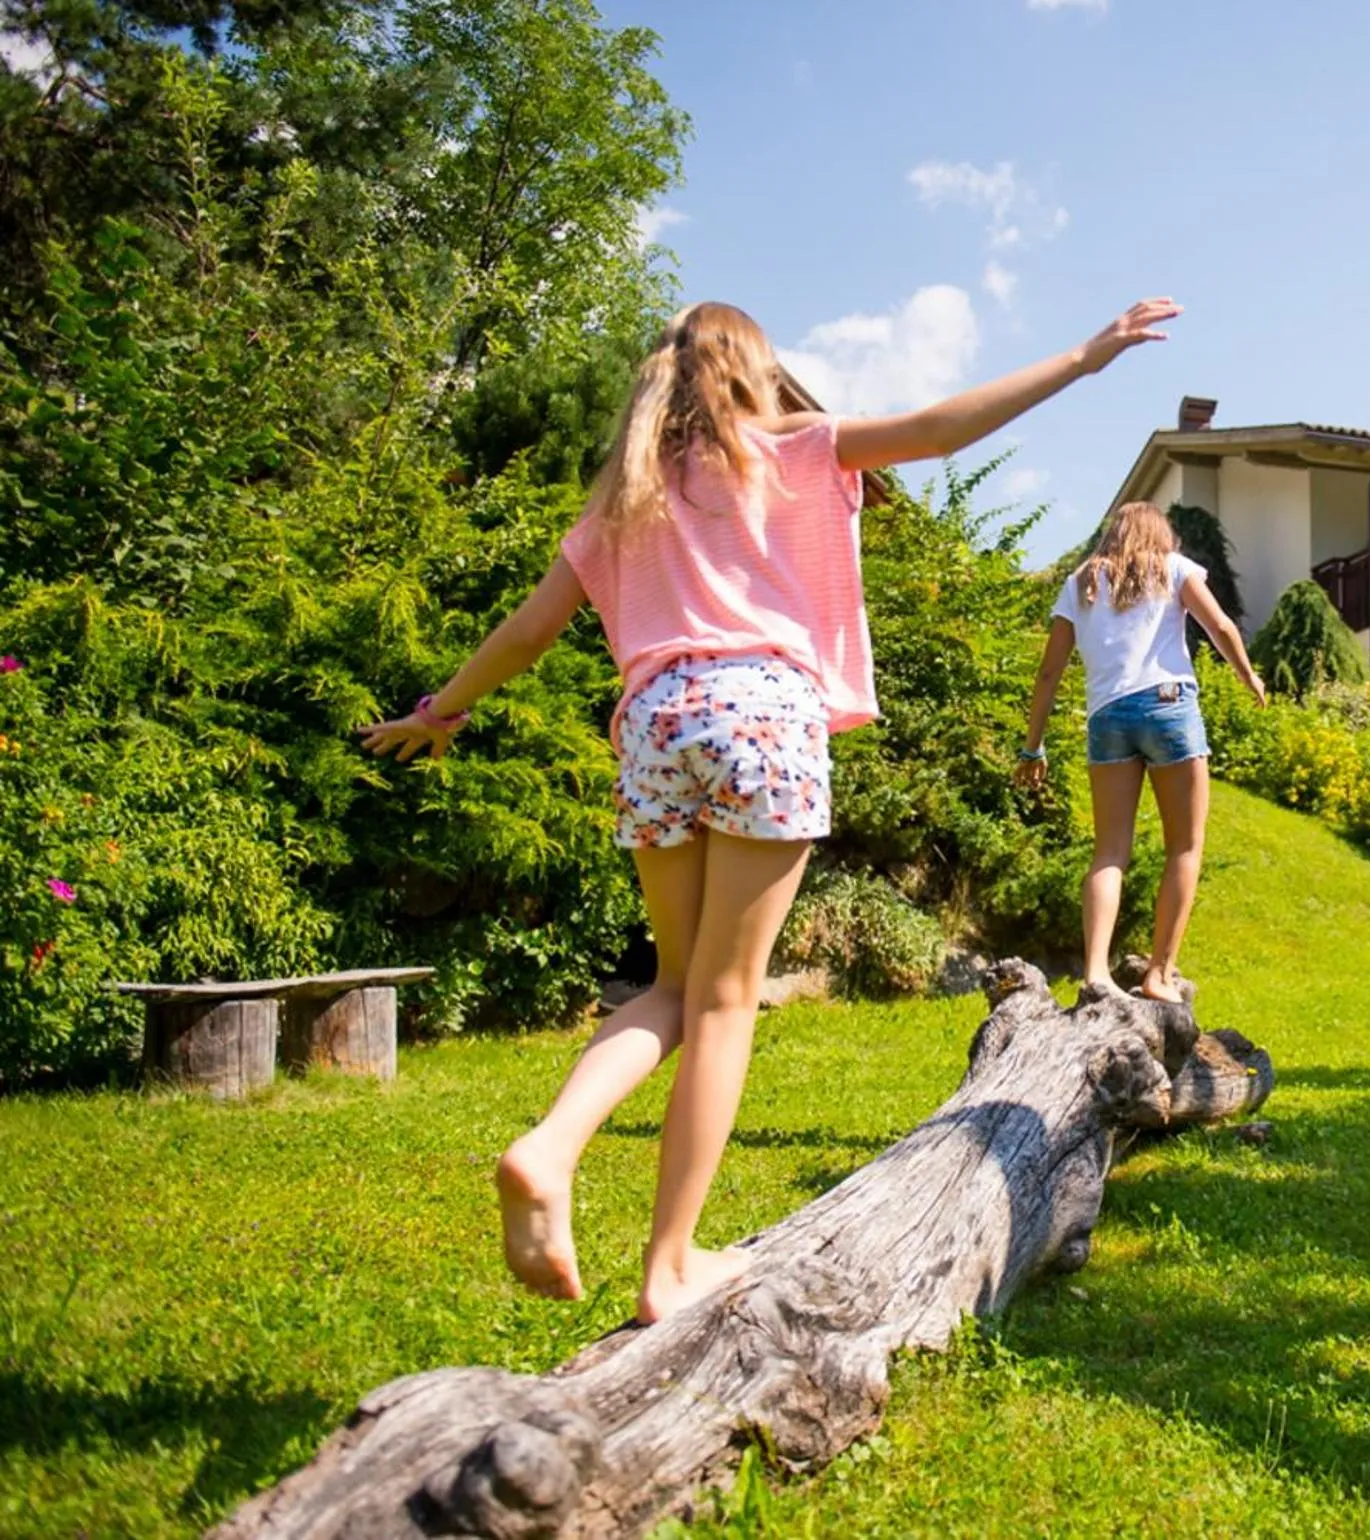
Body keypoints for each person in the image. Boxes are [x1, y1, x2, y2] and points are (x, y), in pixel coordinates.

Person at [360, 296, 1181, 1322]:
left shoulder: (629, 494)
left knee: (670, 987)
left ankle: (552, 1144)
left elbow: (529, 628)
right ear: (755, 371)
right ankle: (668, 1265)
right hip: (763, 716)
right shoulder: (796, 449)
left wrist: (439, 711)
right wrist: (1083, 356)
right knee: (723, 1002)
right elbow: (941, 428)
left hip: (655, 723)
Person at [1017, 501, 1264, 1002]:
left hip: (1107, 717)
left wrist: (1032, 747)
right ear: (1160, 534)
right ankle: (1159, 974)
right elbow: (1220, 627)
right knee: (1185, 847)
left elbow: (1048, 673)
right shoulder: (1173, 567)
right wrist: (1248, 675)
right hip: (1168, 705)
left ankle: (1096, 973)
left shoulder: (1079, 584)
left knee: (1109, 852)